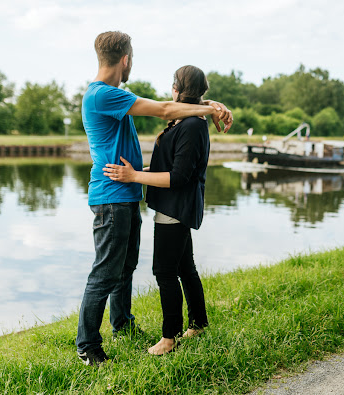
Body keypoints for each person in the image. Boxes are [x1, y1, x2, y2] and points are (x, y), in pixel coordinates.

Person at [76, 31, 232, 367]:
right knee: (105, 272)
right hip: (111, 196)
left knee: (125, 268)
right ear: (126, 60)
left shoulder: (116, 95)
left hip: (127, 195)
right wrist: (210, 107)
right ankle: (87, 345)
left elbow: (169, 111)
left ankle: (123, 324)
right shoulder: (103, 95)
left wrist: (209, 107)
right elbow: (164, 109)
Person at [104, 65, 213, 355]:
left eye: (172, 85)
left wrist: (134, 177)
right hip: (174, 205)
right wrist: (136, 171)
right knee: (184, 267)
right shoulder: (186, 122)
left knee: (164, 271)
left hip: (175, 208)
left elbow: (177, 178)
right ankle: (198, 324)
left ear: (177, 89)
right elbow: (171, 168)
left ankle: (169, 338)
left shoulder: (191, 126)